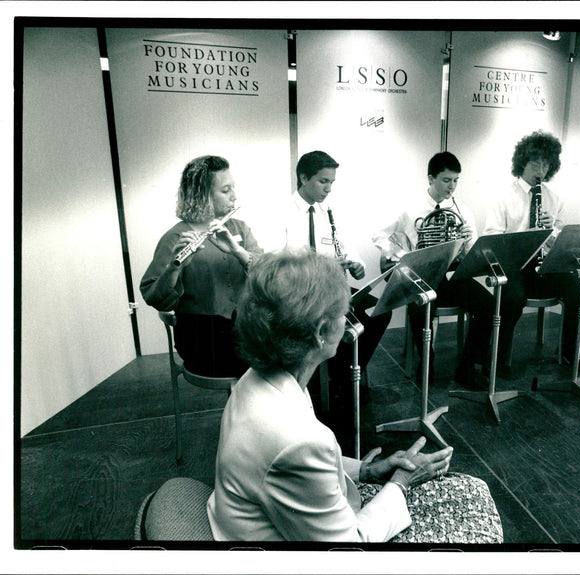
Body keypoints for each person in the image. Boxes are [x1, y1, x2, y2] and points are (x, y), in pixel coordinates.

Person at [206, 249, 489, 542]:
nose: (348, 317)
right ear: (320, 332)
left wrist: (367, 470)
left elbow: (294, 466)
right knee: (475, 502)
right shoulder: (300, 440)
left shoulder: (256, 378)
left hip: (247, 521)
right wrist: (402, 482)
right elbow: (346, 550)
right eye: (344, 310)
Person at [262, 151, 391, 440]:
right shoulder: (280, 213)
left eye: (332, 182)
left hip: (332, 291)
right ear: (303, 178)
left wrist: (355, 263)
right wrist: (322, 267)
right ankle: (341, 382)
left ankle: (346, 374)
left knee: (381, 309)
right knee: (342, 324)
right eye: (323, 182)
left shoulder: (328, 211)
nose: (329, 188)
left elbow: (346, 248)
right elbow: (275, 265)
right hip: (301, 297)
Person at [371, 151, 494, 388]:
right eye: (446, 180)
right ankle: (427, 362)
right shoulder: (410, 208)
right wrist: (400, 256)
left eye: (456, 181)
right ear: (430, 178)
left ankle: (467, 367)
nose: (452, 186)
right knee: (420, 310)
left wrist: (469, 241)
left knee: (487, 305)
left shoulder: (463, 211)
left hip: (451, 276)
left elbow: (471, 255)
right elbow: (378, 234)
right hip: (422, 276)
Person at [483, 130, 580, 377]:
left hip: (544, 267)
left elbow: (564, 242)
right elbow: (492, 239)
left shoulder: (554, 199)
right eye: (535, 162)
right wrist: (527, 233)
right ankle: (498, 358)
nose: (540, 170)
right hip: (514, 268)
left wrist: (550, 231)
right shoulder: (504, 197)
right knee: (513, 299)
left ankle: (570, 353)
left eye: (546, 164)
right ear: (522, 162)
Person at [140, 155, 263, 377]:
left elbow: (267, 275)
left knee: (285, 352)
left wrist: (238, 251)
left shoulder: (240, 228)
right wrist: (174, 268)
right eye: (226, 190)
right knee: (268, 366)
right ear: (203, 196)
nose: (234, 196)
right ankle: (246, 408)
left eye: (233, 188)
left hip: (244, 328)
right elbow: (153, 297)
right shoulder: (175, 237)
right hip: (202, 336)